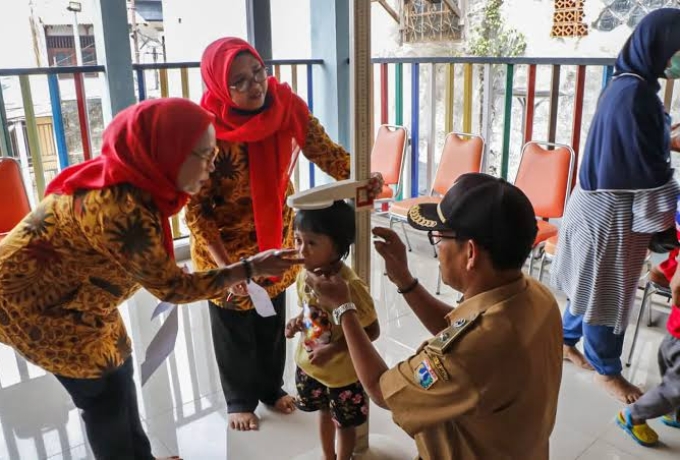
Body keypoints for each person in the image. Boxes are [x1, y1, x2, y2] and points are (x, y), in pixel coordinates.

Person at [0, 98, 301, 460]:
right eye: (202, 156)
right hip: (31, 304)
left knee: (120, 366)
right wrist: (249, 268)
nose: (211, 167)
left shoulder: (137, 181)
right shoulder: (119, 207)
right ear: (166, 152)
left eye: (213, 153)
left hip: (81, 296)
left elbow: (144, 266)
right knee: (102, 397)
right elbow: (173, 288)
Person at [185, 37, 382, 431]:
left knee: (271, 317)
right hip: (223, 244)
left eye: (258, 71)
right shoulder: (205, 131)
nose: (255, 84)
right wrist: (229, 268)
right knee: (233, 325)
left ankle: (270, 387)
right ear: (221, 85)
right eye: (239, 81)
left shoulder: (286, 107)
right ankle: (239, 399)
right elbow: (196, 212)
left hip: (274, 231)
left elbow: (325, 151)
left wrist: (360, 179)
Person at [306, 173, 563, 459]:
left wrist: (343, 307)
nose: (437, 248)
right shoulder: (537, 296)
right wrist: (405, 281)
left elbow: (381, 389)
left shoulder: (469, 354)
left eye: (440, 237)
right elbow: (457, 330)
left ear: (470, 253)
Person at [552, 8, 680, 404]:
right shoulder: (636, 94)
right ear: (661, 46)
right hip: (610, 215)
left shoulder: (629, 82)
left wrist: (666, 139)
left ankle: (563, 340)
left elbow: (637, 143)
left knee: (589, 288)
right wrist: (666, 226)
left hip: (596, 205)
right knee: (608, 296)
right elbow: (645, 166)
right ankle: (608, 372)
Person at [284, 200, 380, 460]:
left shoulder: (351, 287)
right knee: (324, 414)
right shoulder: (305, 275)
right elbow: (311, 311)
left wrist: (333, 350)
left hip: (344, 375)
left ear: (338, 245)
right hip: (313, 366)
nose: (301, 250)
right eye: (297, 240)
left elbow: (372, 330)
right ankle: (329, 456)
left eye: (312, 243)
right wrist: (297, 321)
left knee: (344, 424)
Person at [616, 195, 680, 447]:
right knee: (675, 388)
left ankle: (673, 413)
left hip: (673, 336)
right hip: (678, 338)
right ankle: (632, 415)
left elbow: (668, 275)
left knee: (672, 384)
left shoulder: (675, 253)